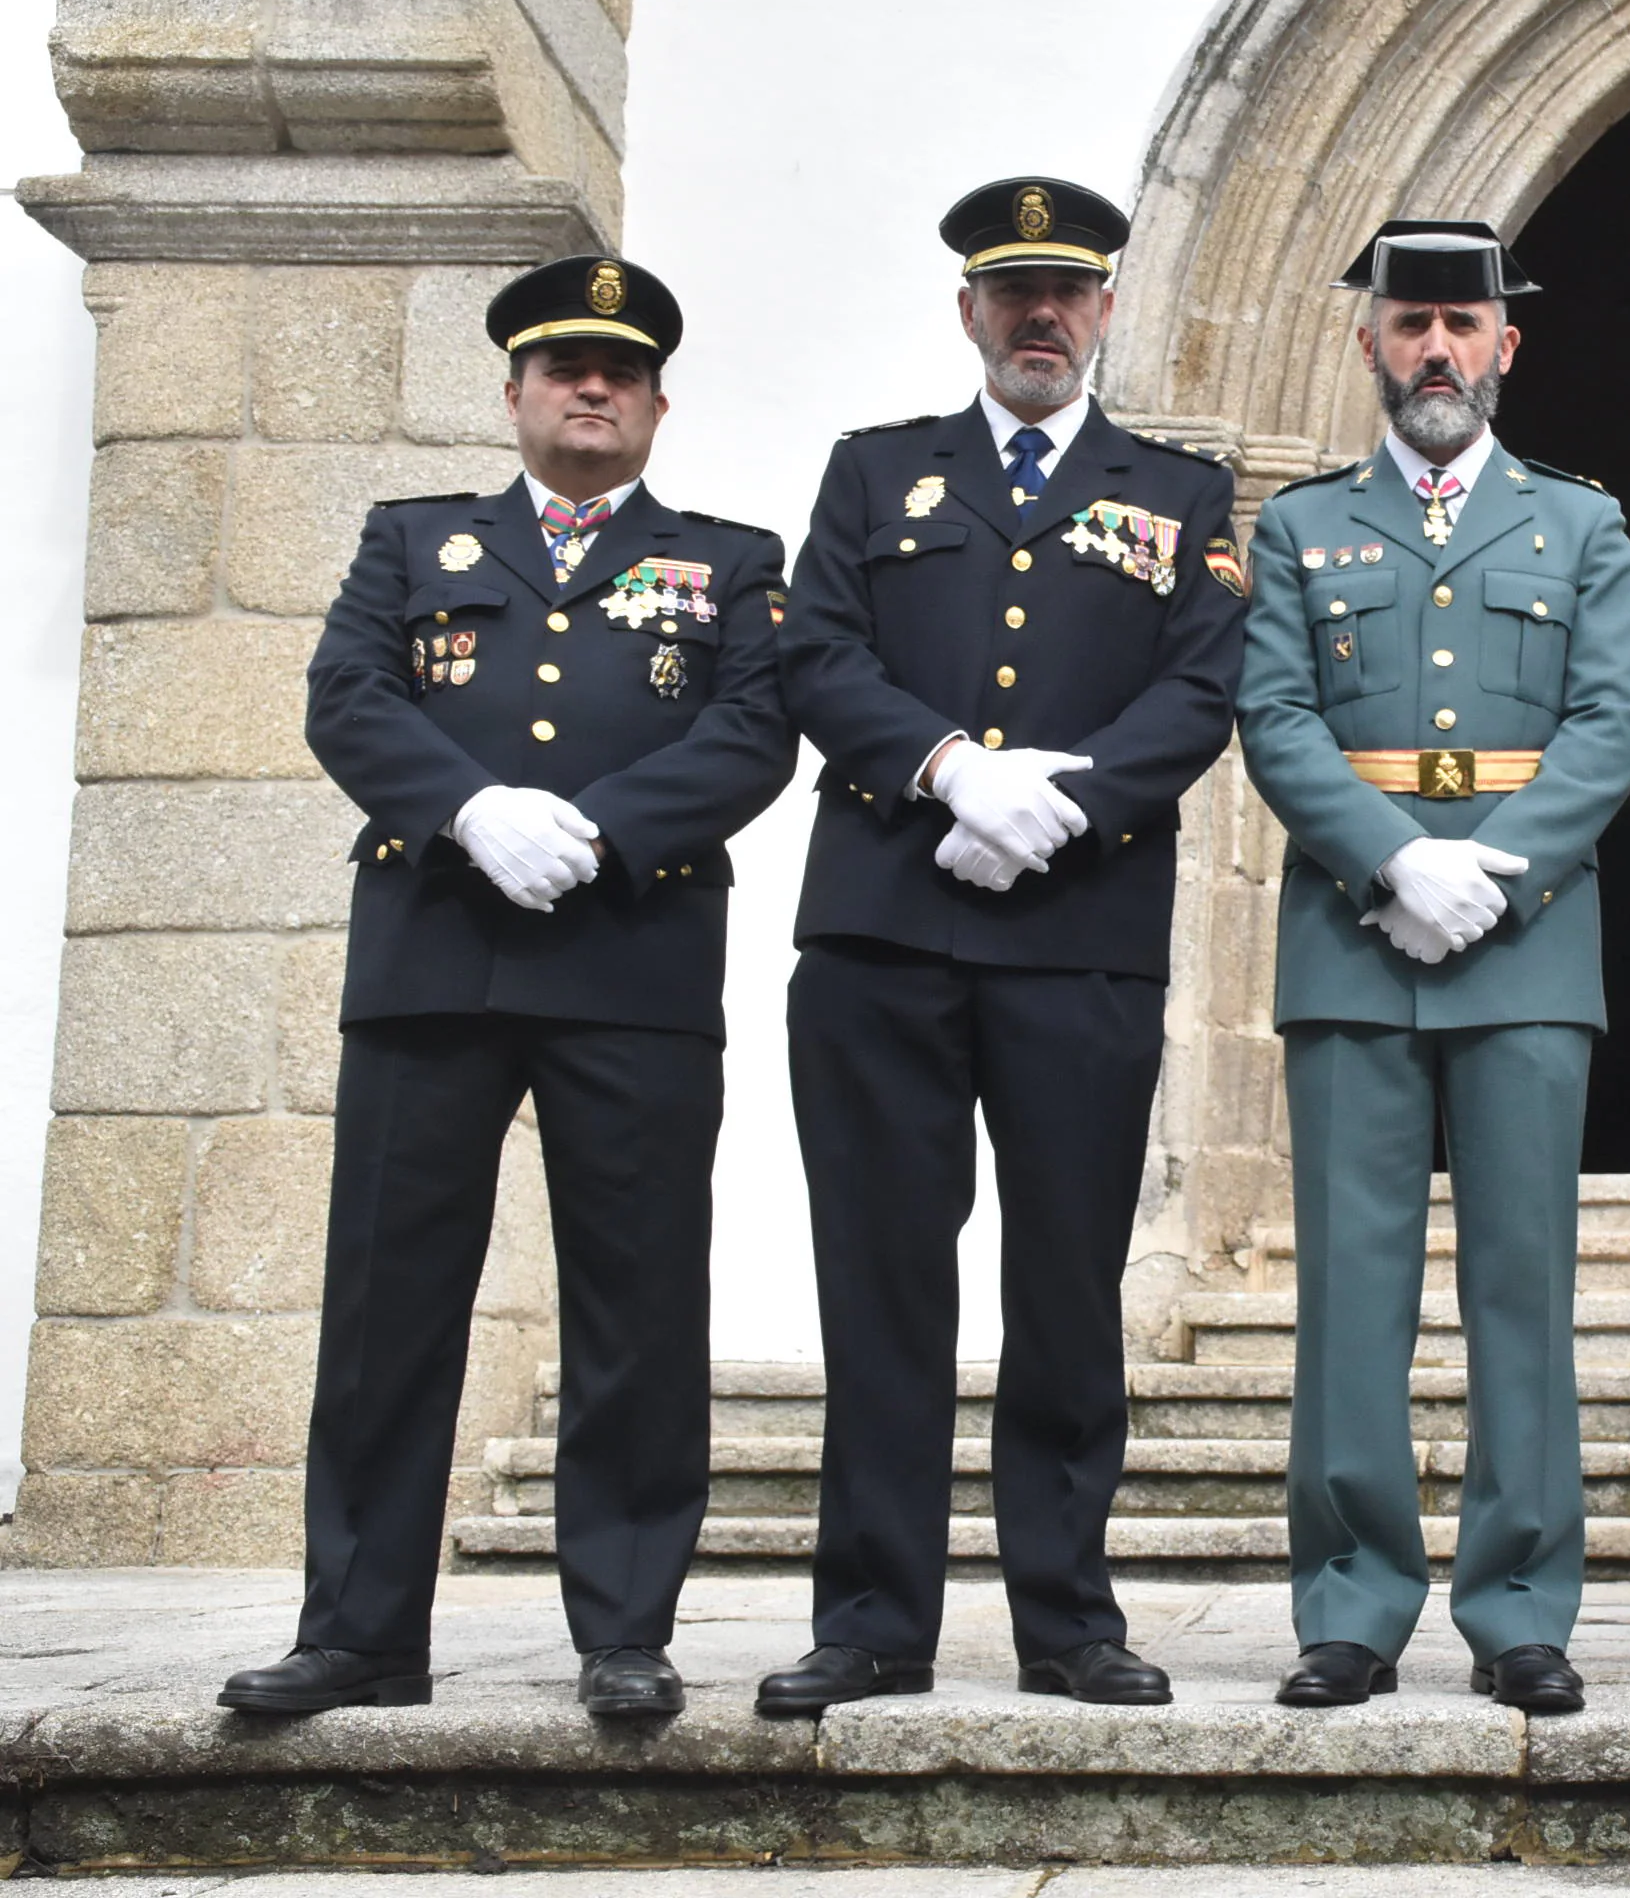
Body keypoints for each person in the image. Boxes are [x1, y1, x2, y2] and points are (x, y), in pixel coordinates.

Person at [222, 258, 796, 1718]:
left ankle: (624, 1632)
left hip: (632, 960)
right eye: (560, 369)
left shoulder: (729, 561)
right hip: (435, 958)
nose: (588, 389)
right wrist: (471, 809)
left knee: (638, 1308)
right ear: (517, 396)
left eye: (616, 372)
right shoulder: (414, 541)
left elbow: (751, 734)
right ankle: (358, 1630)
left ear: (658, 402)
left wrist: (604, 832)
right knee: (387, 1305)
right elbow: (348, 693)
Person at [762, 178, 1247, 1713]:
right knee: (884, 1282)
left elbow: (1200, 686)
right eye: (1011, 290)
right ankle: (872, 1622)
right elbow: (814, 652)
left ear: (1105, 310)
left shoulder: (1180, 495)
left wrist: (1065, 803)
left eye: (1068, 292)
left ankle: (1068, 1617)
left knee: (1064, 1288)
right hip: (884, 935)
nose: (1041, 316)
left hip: (1078, 941)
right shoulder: (873, 473)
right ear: (969, 310)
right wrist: (950, 771)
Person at [1240, 220, 1630, 1715]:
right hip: (1355, 940)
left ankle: (1521, 1603)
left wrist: (1497, 868)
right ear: (1368, 342)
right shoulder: (1300, 528)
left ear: (1505, 348)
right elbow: (1276, 716)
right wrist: (1392, 859)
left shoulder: (1580, 526)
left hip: (1527, 946)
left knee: (1523, 1288)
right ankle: (1351, 1605)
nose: (1435, 351)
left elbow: (1612, 725)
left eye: (1460, 327)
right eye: (1410, 323)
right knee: (1352, 1292)